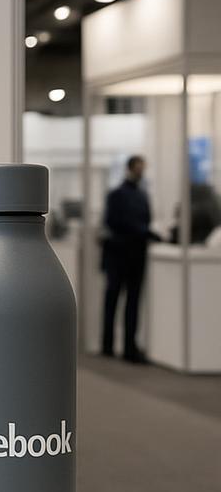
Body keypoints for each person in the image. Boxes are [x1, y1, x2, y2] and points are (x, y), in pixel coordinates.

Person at [101, 155, 159, 363]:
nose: (141, 171)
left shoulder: (142, 195)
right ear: (130, 168)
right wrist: (144, 232)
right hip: (119, 254)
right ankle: (107, 346)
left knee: (132, 302)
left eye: (143, 167)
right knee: (113, 300)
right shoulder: (117, 194)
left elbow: (146, 221)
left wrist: (147, 233)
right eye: (138, 167)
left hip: (136, 255)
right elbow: (112, 222)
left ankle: (129, 348)